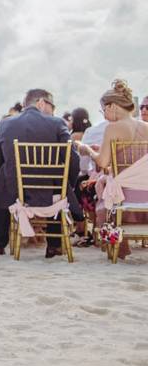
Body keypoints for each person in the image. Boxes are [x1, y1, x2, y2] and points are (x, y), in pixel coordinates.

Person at [0, 88, 80, 258]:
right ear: (41, 103)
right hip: (48, 192)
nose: (53, 112)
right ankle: (53, 245)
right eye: (52, 106)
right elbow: (73, 160)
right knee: (56, 182)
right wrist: (69, 185)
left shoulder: (4, 124)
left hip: (13, 191)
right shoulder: (57, 124)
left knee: (2, 177)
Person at [75, 80, 148, 259]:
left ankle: (119, 248)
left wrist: (87, 150)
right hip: (145, 192)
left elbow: (102, 162)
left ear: (113, 106)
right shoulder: (146, 127)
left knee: (104, 187)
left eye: (104, 110)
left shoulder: (113, 128)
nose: (105, 116)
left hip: (124, 196)